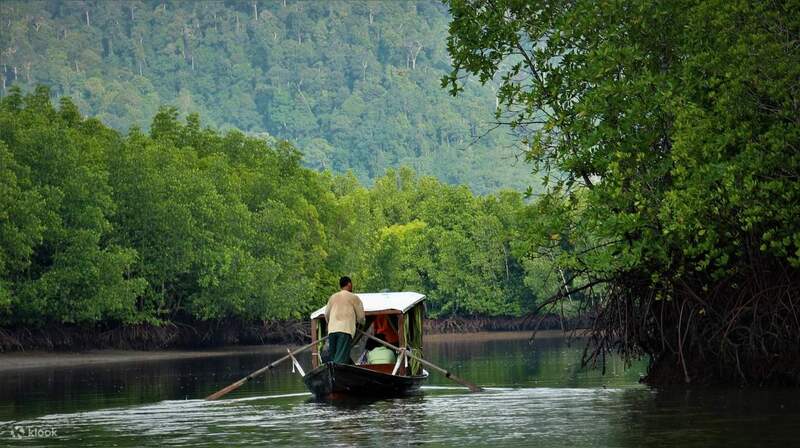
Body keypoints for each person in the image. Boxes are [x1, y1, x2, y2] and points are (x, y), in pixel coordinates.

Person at [324, 276, 365, 364]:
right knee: (340, 359)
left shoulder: (333, 297)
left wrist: (330, 323)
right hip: (345, 330)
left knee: (334, 357)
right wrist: (362, 324)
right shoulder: (354, 297)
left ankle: (334, 373)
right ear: (349, 284)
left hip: (332, 331)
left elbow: (326, 314)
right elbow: (361, 317)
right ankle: (338, 374)